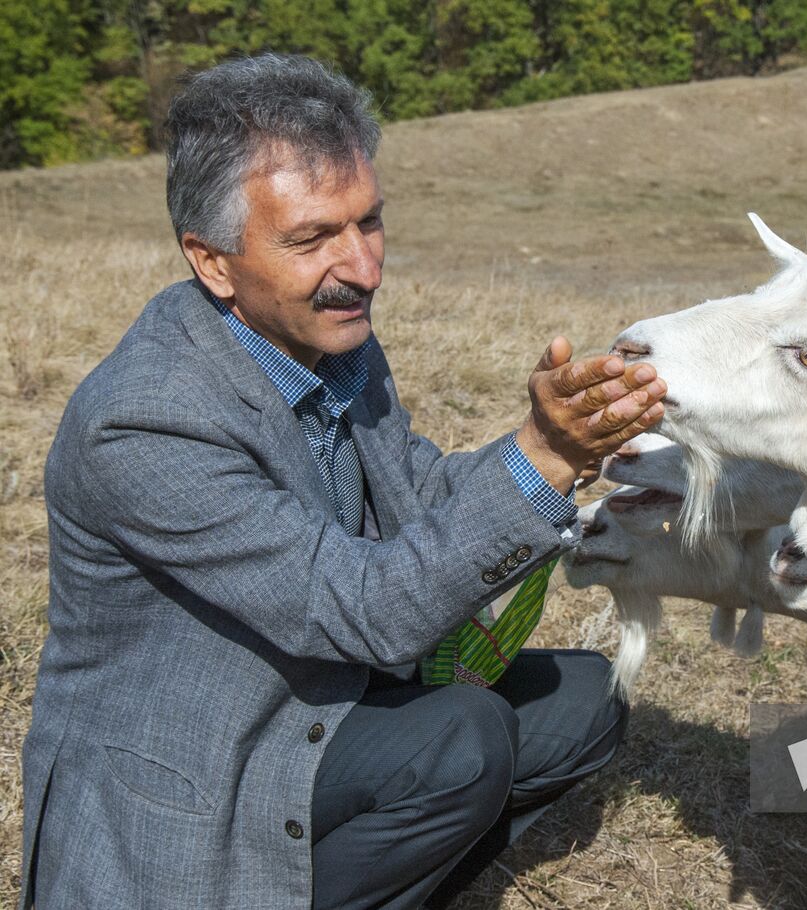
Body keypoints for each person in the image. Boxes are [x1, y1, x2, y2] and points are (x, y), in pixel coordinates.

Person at [19, 54, 665, 909]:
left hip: (324, 689)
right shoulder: (144, 421)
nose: (361, 267)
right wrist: (541, 459)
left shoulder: (331, 340)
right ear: (213, 263)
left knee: (586, 701)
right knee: (462, 740)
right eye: (312, 238)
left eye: (369, 223)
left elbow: (420, 497)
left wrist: (570, 448)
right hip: (202, 762)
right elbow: (371, 613)